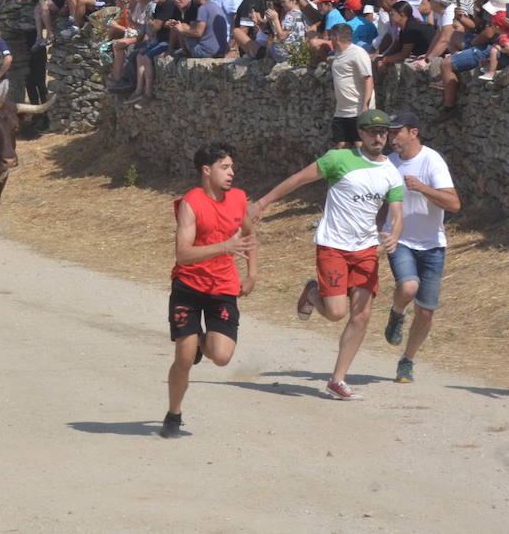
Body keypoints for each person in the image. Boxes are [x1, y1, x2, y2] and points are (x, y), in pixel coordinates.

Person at [253, 109, 404, 400]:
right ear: (360, 134)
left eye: (383, 132)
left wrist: (394, 235)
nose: (379, 137)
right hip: (333, 245)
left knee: (362, 315)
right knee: (336, 313)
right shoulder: (338, 159)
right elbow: (298, 179)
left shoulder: (391, 173)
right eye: (372, 132)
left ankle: (337, 379)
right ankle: (312, 292)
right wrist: (262, 203)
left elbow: (397, 214)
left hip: (365, 250)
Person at [160, 142, 258, 439]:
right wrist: (225, 246)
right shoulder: (191, 203)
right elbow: (183, 254)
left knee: (222, 356)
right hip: (188, 286)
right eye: (225, 167)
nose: (232, 173)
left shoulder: (239, 199)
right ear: (207, 170)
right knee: (185, 358)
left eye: (232, 167)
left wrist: (252, 274)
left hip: (223, 288)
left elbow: (252, 236)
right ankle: (173, 414)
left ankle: (202, 341)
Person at [382, 111, 460, 383]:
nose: (391, 138)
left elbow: (454, 204)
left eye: (396, 132)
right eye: (390, 133)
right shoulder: (388, 163)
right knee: (408, 287)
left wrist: (423, 188)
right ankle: (396, 314)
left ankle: (407, 360)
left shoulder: (432, 160)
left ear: (413, 132)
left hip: (432, 245)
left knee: (426, 311)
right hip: (399, 239)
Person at [328, 23, 374, 148]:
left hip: (357, 108)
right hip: (342, 110)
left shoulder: (357, 53)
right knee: (341, 145)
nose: (329, 40)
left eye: (330, 37)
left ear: (336, 37)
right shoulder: (337, 54)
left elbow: (368, 79)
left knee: (360, 145)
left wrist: (365, 106)